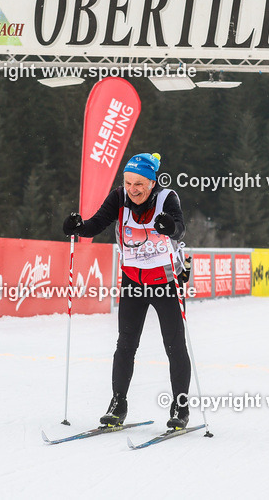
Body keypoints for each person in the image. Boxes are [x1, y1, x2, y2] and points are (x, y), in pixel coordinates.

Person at [62, 152, 192, 430]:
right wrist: (79, 227)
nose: (133, 190)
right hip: (133, 282)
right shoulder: (119, 197)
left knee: (174, 344)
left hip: (165, 282)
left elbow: (180, 230)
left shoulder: (167, 198)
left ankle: (180, 406)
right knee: (126, 344)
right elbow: (97, 223)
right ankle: (118, 404)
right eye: (128, 182)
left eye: (139, 184)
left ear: (152, 182)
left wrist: (170, 227)